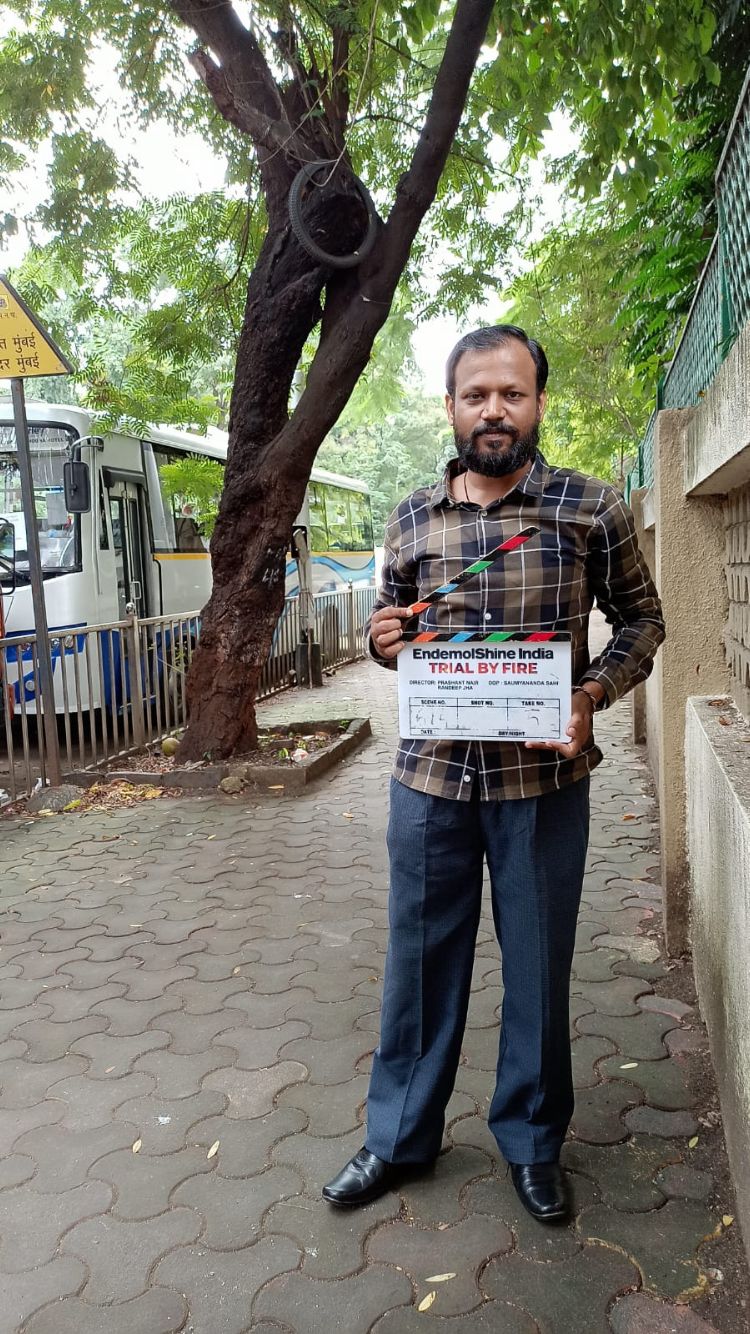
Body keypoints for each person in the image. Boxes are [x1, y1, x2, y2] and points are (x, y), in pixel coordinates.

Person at [322, 325, 665, 1222]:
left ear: (539, 402)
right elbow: (393, 629)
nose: (495, 410)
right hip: (429, 784)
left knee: (538, 968)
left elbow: (644, 620)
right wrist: (382, 640)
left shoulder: (591, 507)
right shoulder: (410, 516)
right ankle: (399, 1138)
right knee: (419, 964)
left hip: (541, 790)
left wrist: (591, 693)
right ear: (451, 406)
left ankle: (533, 1142)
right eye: (477, 395)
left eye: (512, 393)